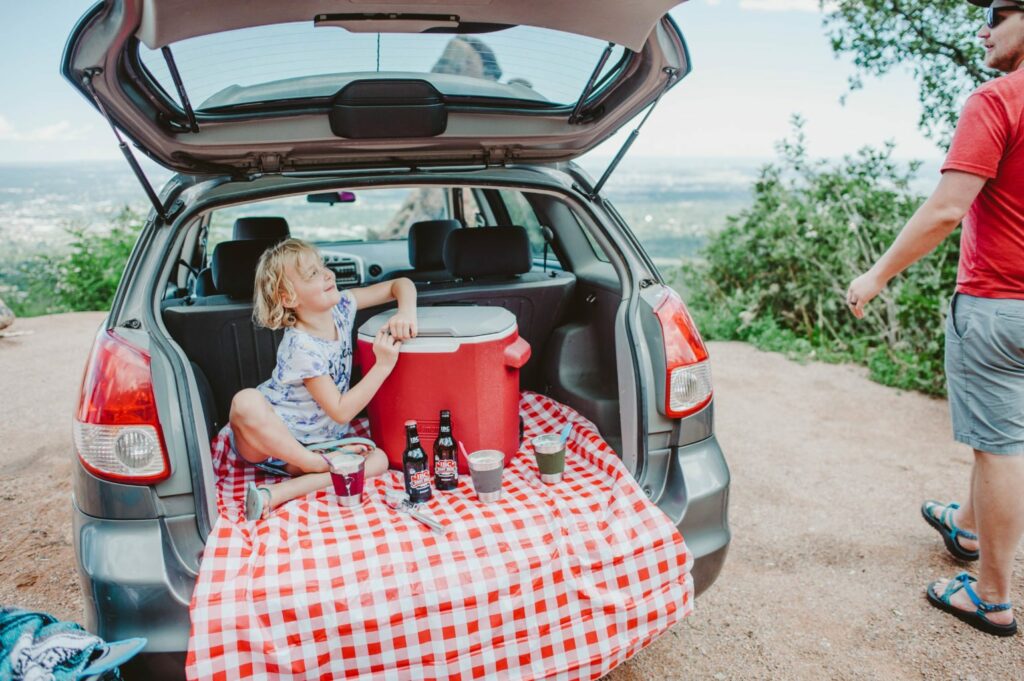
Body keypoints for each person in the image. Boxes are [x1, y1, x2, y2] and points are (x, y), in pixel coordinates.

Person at [846, 0, 1024, 637]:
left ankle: (992, 596)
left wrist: (875, 275)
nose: (984, 28)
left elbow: (948, 210)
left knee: (1000, 447)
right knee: (1000, 433)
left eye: (998, 15)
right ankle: (968, 527)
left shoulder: (998, 99)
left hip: (1001, 304)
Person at [227, 238, 418, 519]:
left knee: (378, 460)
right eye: (312, 274)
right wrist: (383, 365)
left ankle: (280, 492)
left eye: (322, 266)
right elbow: (341, 412)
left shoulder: (340, 308)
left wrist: (407, 312)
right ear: (289, 297)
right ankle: (311, 464)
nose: (327, 274)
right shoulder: (300, 347)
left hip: (320, 442)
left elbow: (400, 284)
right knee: (244, 402)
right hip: (271, 439)